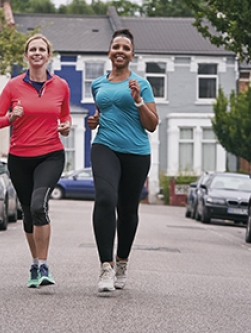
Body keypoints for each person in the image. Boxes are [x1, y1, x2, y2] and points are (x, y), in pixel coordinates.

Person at [0, 34, 71, 288]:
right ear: (26, 56)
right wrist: (11, 117)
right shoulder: (13, 86)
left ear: (48, 56)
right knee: (27, 213)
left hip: (50, 154)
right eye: (32, 49)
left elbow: (65, 117)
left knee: (38, 206)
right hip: (20, 158)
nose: (37, 53)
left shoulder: (61, 86)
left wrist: (66, 127)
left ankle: (44, 265)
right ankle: (35, 264)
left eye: (42, 49)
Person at [87, 29, 159, 292]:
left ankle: (122, 261)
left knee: (127, 211)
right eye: (116, 46)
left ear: (132, 55)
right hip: (104, 146)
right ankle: (105, 267)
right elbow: (102, 113)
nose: (120, 51)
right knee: (105, 198)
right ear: (109, 51)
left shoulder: (142, 84)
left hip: (136, 153)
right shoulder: (98, 85)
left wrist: (138, 100)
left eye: (125, 48)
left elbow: (152, 125)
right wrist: (93, 122)